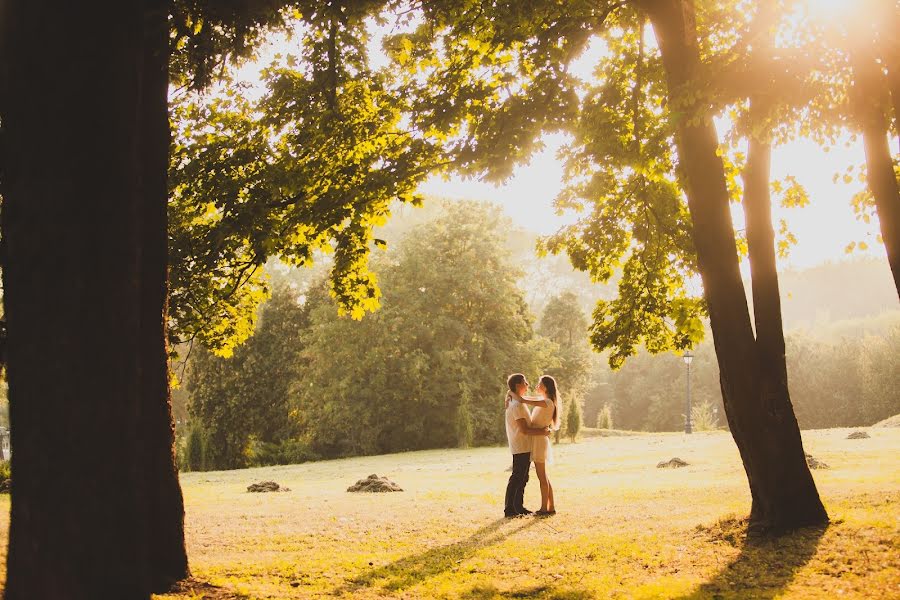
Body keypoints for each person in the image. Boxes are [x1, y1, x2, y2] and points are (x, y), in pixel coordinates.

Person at [504, 373, 552, 518]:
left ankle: (519, 506)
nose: (528, 385)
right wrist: (542, 432)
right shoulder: (517, 405)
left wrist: (509, 393)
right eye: (525, 382)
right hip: (520, 445)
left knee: (523, 478)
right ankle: (510, 509)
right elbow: (524, 430)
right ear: (518, 385)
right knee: (517, 477)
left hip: (525, 445)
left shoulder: (517, 402)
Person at [512, 375, 561, 516]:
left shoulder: (547, 402)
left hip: (539, 441)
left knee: (542, 477)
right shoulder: (544, 401)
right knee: (544, 476)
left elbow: (522, 399)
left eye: (539, 383)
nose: (536, 386)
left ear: (545, 386)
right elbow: (524, 399)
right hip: (538, 439)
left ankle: (544, 508)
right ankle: (550, 507)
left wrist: (510, 393)